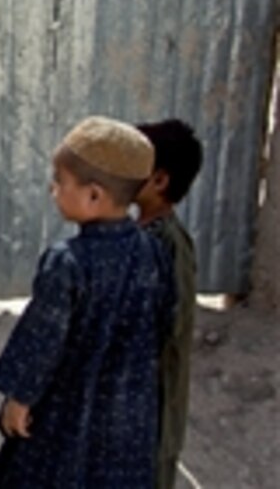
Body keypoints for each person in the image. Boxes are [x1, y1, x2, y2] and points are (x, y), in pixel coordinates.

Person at [0, 116, 176, 488]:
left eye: (60, 181)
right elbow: (162, 320)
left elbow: (42, 339)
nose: (52, 189)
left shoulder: (67, 262)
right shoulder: (154, 251)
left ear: (94, 196)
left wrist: (19, 399)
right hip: (127, 415)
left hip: (67, 410)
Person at [135, 119, 204, 489]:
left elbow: (166, 324)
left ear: (159, 181)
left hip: (151, 406)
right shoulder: (144, 236)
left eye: (134, 164)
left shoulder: (164, 245)